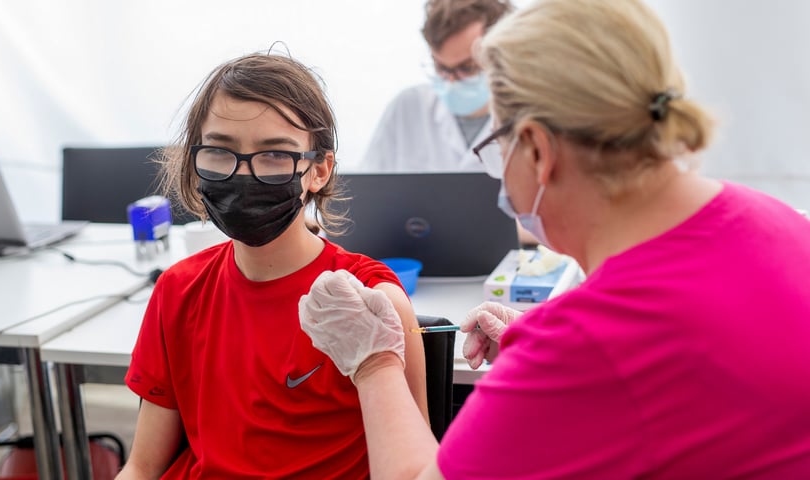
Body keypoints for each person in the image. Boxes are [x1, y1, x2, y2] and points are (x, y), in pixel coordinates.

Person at [298, 0, 810, 478]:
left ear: (539, 152)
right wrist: (542, 336)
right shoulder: (777, 221)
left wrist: (373, 360)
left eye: (496, 148)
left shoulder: (591, 345)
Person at [115, 52, 428, 479]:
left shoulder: (368, 306)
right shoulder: (178, 289)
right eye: (220, 152)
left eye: (275, 155)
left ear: (319, 170)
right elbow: (142, 466)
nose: (244, 174)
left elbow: (418, 470)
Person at [359, 0, 512, 176]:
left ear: (502, 56)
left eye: (467, 68)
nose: (451, 81)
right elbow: (367, 192)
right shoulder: (407, 109)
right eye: (441, 67)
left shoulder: (530, 118)